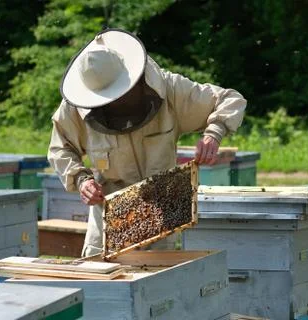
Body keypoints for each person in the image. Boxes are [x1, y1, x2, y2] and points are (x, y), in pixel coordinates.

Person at [47, 28, 246, 257]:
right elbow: (60, 147)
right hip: (108, 222)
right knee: (103, 288)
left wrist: (214, 134)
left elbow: (230, 100)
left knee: (157, 288)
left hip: (162, 214)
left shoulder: (169, 89)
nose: (115, 103)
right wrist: (81, 180)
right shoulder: (77, 106)